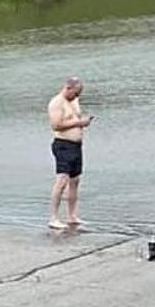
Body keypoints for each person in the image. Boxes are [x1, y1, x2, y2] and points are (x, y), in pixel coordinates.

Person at [48, 76, 94, 229]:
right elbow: (56, 125)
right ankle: (53, 217)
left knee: (75, 181)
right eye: (75, 93)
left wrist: (83, 122)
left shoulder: (74, 101)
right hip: (63, 145)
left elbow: (75, 118)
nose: (77, 96)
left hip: (76, 146)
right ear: (68, 88)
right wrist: (79, 123)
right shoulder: (56, 103)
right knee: (62, 180)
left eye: (78, 94)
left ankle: (72, 215)